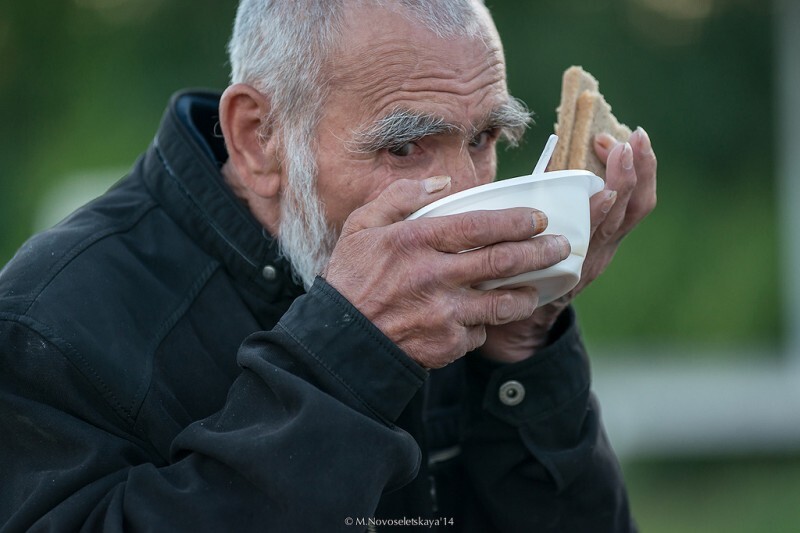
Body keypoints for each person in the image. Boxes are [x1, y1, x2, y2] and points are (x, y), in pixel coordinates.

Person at [0, 0, 656, 531]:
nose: (462, 193)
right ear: (258, 136)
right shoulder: (47, 324)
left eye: (484, 138)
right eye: (403, 146)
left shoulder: (459, 297)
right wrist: (346, 359)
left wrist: (523, 349)